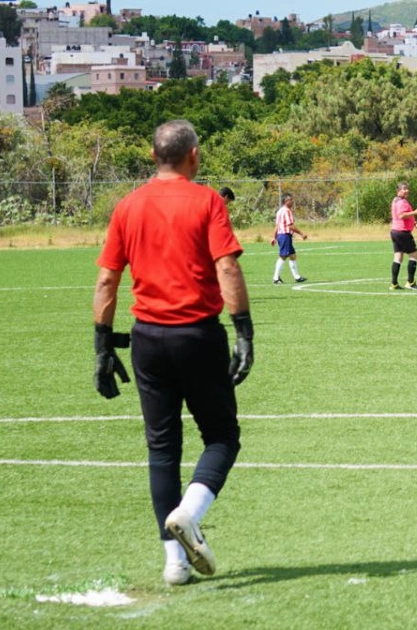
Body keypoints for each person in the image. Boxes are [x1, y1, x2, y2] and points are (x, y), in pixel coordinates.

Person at [92, 119, 253, 586]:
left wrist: (102, 345)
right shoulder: (206, 200)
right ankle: (190, 512)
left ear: (152, 155)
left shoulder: (127, 205)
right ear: (194, 156)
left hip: (147, 339)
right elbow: (226, 266)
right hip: (197, 335)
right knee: (222, 436)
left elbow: (106, 279)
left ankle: (175, 564)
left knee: (162, 449)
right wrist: (244, 330)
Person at [390, 181, 417, 290]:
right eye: (404, 189)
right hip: (403, 232)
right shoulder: (402, 202)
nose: (407, 190)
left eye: (407, 188)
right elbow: (402, 215)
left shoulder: (396, 200)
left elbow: (405, 215)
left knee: (398, 257)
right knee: (414, 255)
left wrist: (415, 223)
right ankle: (410, 282)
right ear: (398, 190)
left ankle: (394, 284)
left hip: (395, 231)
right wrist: (416, 212)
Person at [271, 193, 307, 284]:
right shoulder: (287, 211)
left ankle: (297, 277)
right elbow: (290, 226)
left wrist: (274, 237)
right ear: (286, 201)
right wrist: (301, 233)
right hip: (285, 235)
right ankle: (276, 278)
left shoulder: (279, 211)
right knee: (283, 256)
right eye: (291, 200)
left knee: (292, 255)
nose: (292, 201)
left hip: (282, 235)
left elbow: (277, 226)